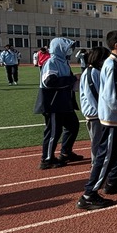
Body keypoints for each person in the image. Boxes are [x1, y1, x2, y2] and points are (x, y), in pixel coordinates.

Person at [76, 31, 117, 210]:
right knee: (105, 157)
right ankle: (89, 194)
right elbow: (112, 96)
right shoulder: (112, 65)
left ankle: (113, 181)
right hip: (114, 120)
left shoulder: (114, 64)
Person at [33, 37, 84, 169]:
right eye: (68, 48)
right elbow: (49, 81)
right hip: (53, 103)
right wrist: (73, 78)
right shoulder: (52, 62)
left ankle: (65, 152)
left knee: (73, 126)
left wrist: (75, 81)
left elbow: (67, 81)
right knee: (53, 132)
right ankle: (47, 159)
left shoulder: (64, 62)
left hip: (64, 102)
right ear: (60, 49)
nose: (70, 51)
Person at [78, 47, 111, 168]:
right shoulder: (91, 73)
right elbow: (92, 94)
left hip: (98, 112)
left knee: (102, 139)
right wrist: (102, 110)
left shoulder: (96, 71)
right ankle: (96, 165)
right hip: (95, 113)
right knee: (97, 140)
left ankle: (101, 162)